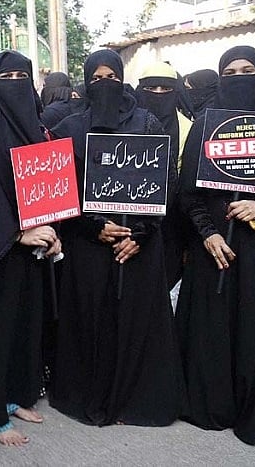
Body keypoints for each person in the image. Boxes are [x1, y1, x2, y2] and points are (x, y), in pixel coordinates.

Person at [49, 49, 183, 427]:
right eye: (96, 78)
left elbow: (166, 182)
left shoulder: (147, 122)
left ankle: (132, 400)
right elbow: (59, 191)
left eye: (111, 77)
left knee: (137, 322)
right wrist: (92, 226)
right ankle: (90, 394)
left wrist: (142, 232)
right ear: (86, 81)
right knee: (91, 320)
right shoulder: (70, 128)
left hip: (138, 245)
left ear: (122, 79)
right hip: (89, 245)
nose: (104, 84)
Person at [177, 45, 255, 445]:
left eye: (248, 71)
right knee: (214, 325)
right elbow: (188, 192)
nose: (239, 78)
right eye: (231, 72)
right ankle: (212, 404)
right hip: (216, 245)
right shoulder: (206, 123)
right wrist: (209, 233)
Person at [0, 50, 60, 447]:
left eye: (23, 77)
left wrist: (52, 228)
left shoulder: (33, 125)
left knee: (26, 325)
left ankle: (14, 396)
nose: (16, 85)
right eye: (7, 78)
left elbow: (47, 182)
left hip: (33, 250)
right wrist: (18, 234)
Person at [134, 62, 194, 289]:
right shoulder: (128, 123)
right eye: (151, 89)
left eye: (166, 89)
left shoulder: (188, 127)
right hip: (133, 219)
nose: (158, 94)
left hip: (173, 221)